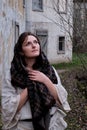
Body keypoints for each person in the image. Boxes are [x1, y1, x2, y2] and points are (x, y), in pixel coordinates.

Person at [2, 32, 71, 130]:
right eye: (28, 44)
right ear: (21, 51)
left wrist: (45, 80)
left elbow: (61, 99)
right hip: (23, 126)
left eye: (36, 42)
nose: (34, 45)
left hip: (52, 124)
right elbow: (7, 107)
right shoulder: (12, 74)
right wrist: (30, 86)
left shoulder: (50, 70)